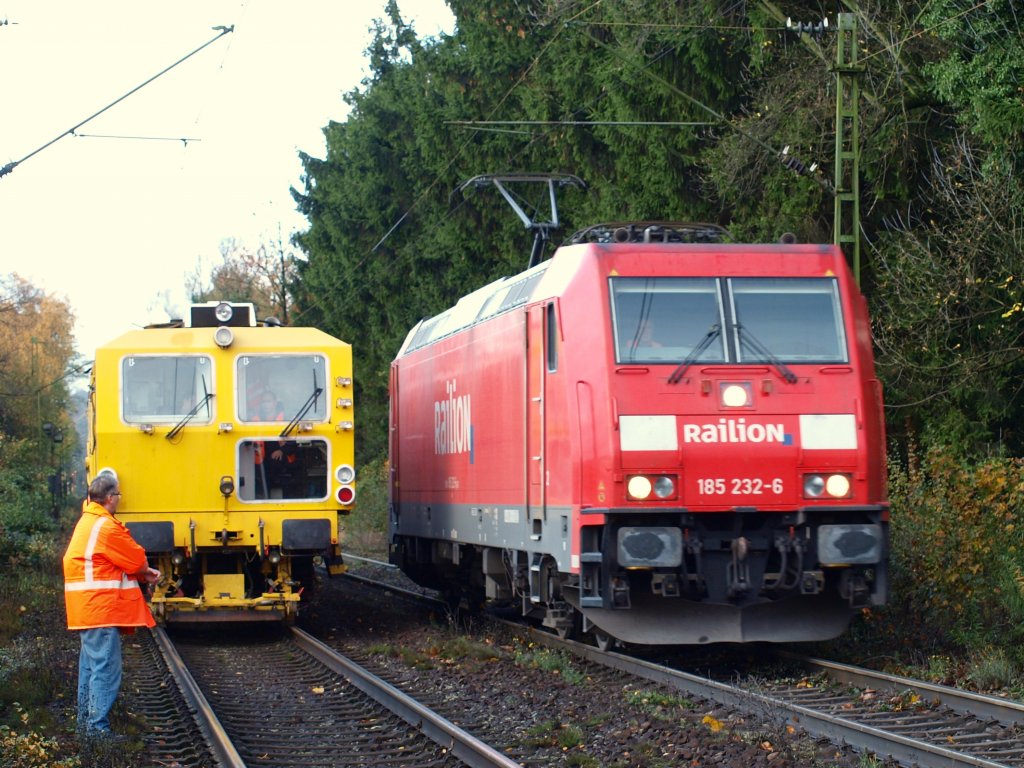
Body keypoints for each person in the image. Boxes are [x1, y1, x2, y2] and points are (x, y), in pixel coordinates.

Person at [63, 471, 160, 740]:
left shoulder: (88, 520)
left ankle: (86, 729)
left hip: (88, 608)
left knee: (90, 668)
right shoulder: (105, 526)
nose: (119, 498)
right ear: (109, 497)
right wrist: (145, 571)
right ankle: (97, 732)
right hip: (100, 609)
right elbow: (135, 558)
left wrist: (143, 573)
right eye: (118, 494)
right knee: (105, 669)